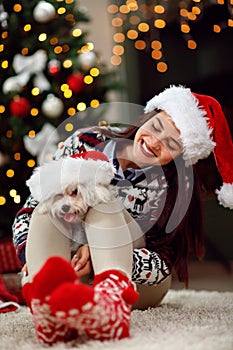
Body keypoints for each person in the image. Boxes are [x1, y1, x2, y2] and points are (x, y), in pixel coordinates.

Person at [12, 85, 233, 346]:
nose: (154, 141)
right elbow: (29, 209)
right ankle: (49, 308)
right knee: (51, 203)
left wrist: (95, 255)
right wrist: (30, 251)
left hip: (138, 283)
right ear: (148, 117)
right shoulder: (84, 142)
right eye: (157, 127)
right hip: (73, 268)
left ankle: (109, 305)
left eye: (172, 144)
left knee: (103, 201)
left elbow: (163, 265)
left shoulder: (174, 189)